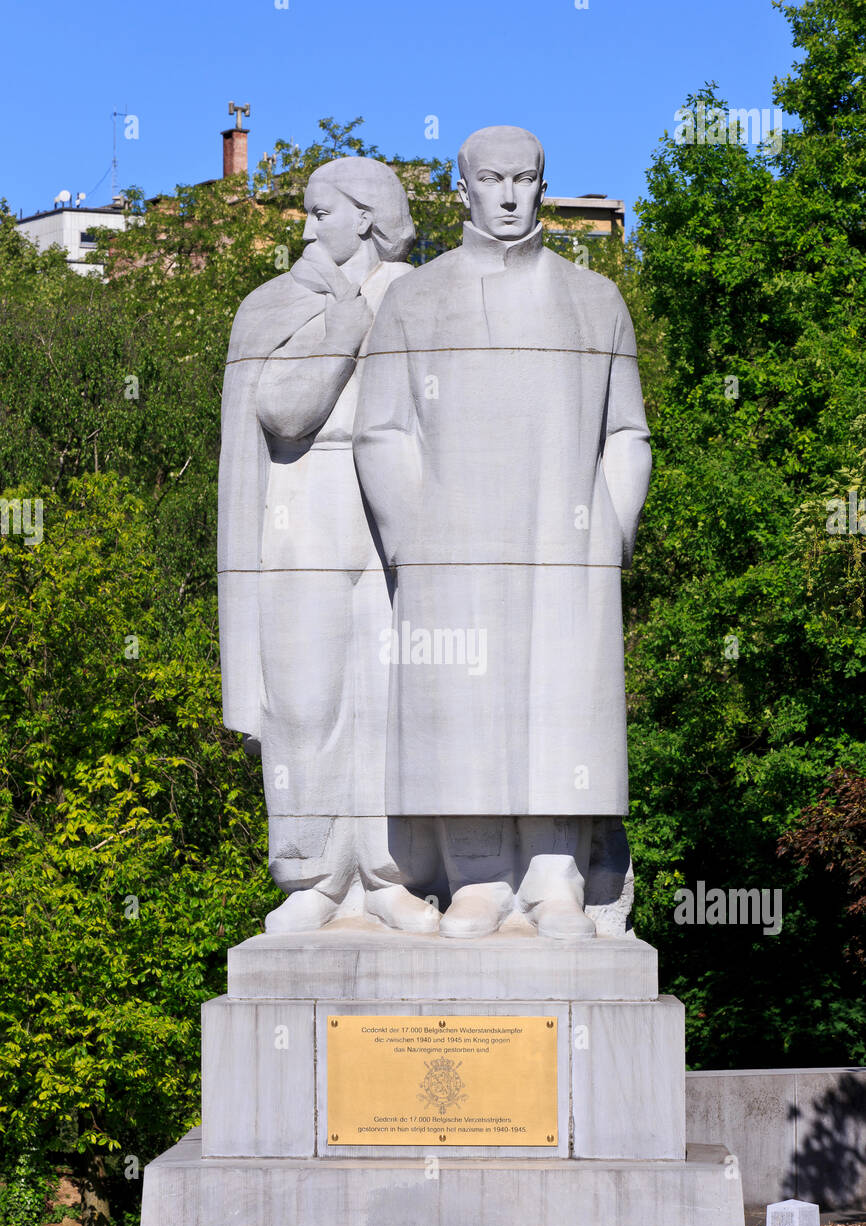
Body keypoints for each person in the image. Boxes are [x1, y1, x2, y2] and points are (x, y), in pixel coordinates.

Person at [353, 127, 652, 939]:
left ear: (542, 184)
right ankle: (478, 877)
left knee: (562, 702)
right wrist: (414, 537)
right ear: (466, 189)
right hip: (452, 544)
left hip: (567, 538)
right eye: (493, 179)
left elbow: (627, 432)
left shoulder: (594, 299)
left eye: (525, 178)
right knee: (462, 699)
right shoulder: (418, 299)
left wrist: (611, 530)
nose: (511, 195)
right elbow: (380, 431)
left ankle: (556, 875)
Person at [218, 157, 439, 934]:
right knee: (304, 700)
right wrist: (349, 316)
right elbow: (283, 410)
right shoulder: (277, 302)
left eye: (322, 212)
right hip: (302, 508)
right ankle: (312, 874)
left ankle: (391, 873)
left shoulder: (424, 294)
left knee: (394, 697)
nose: (309, 228)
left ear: (368, 216)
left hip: (397, 510)